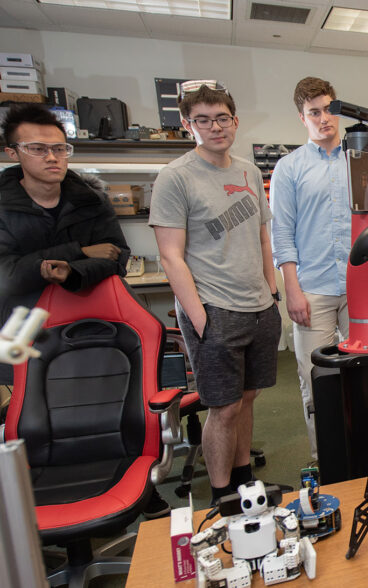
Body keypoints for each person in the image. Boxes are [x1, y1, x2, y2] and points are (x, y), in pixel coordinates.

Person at [0, 104, 174, 519]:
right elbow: (6, 275)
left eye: (60, 148)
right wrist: (73, 253)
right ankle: (38, 507)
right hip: (24, 331)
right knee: (37, 418)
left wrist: (65, 272)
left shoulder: (89, 198)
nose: (52, 157)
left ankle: (130, 488)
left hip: (92, 325)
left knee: (108, 404)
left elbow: (116, 256)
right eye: (38, 148)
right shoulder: (3, 205)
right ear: (13, 153)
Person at [150, 81, 282, 504]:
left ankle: (244, 483)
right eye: (202, 120)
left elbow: (263, 237)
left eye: (221, 118)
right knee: (222, 408)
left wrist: (272, 291)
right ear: (189, 126)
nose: (214, 127)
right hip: (215, 309)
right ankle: (223, 497)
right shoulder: (175, 177)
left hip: (260, 305)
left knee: (247, 399)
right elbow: (171, 256)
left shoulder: (247, 170)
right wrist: (201, 317)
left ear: (235, 121)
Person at [269, 77, 368, 461]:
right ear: (302, 118)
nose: (324, 118)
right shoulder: (288, 169)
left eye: (329, 109)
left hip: (365, 288)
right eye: (314, 112)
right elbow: (282, 234)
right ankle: (325, 458)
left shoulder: (367, 164)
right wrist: (292, 290)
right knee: (318, 380)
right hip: (314, 289)